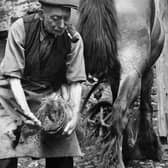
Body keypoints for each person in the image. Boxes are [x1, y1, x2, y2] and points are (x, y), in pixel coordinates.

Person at [0, 0, 86, 167]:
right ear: (41, 14)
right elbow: (13, 77)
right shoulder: (21, 28)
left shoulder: (73, 39)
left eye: (66, 18)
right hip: (11, 95)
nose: (61, 25)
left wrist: (74, 115)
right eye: (55, 18)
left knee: (62, 152)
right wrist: (25, 112)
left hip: (48, 96)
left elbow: (75, 82)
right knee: (6, 150)